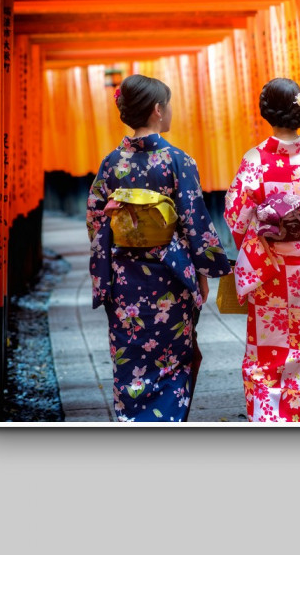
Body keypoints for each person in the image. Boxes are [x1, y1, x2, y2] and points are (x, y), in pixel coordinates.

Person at [86, 74, 231, 422]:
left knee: (130, 356)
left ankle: (133, 421)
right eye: (168, 105)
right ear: (157, 109)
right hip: (169, 276)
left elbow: (95, 218)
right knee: (172, 360)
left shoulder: (112, 163)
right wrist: (204, 270)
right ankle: (167, 423)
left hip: (124, 276)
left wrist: (114, 242)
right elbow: (194, 219)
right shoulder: (178, 160)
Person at [224, 77, 300, 422]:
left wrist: (254, 242)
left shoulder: (255, 160)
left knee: (265, 347)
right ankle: (296, 417)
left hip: (268, 267)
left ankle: (266, 417)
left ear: (267, 112)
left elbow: (236, 216)